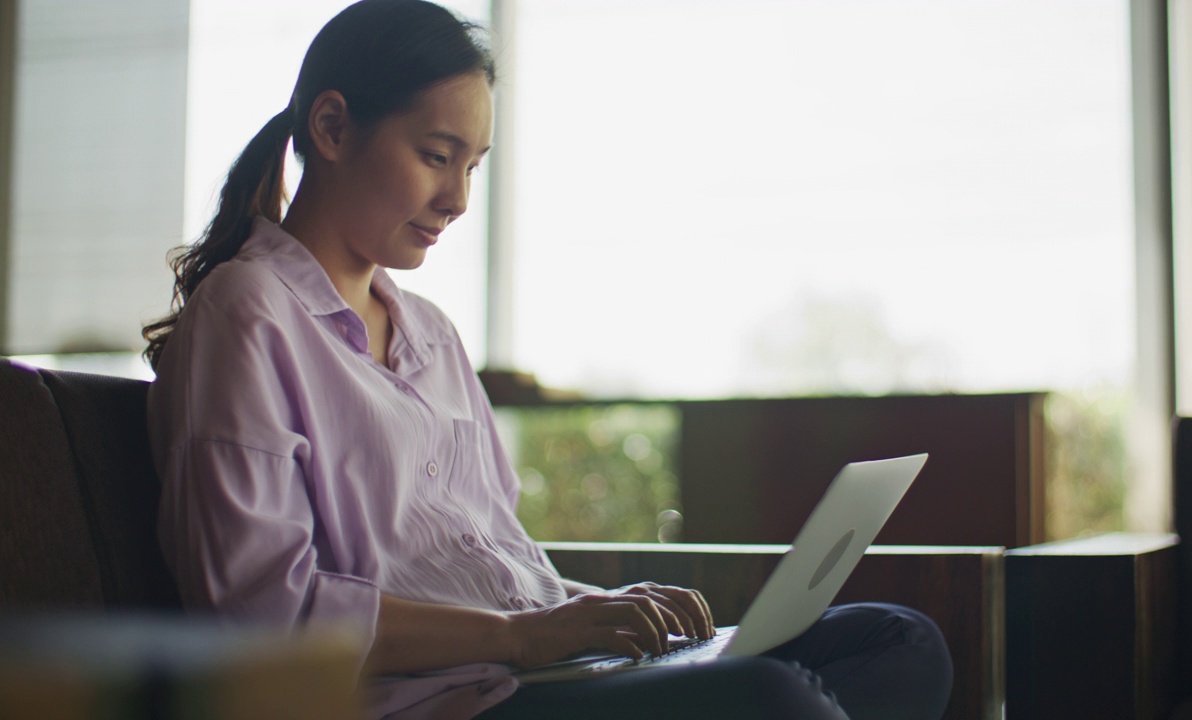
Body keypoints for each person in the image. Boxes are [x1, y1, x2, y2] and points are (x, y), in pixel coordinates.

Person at [143, 1, 953, 718]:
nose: (457, 199)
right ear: (330, 128)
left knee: (898, 641)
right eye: (436, 154)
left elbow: (494, 554)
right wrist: (525, 636)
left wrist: (603, 610)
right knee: (774, 698)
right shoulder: (247, 315)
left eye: (473, 165)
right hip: (441, 698)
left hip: (537, 670)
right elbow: (263, 616)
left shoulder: (429, 333)